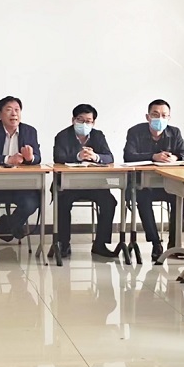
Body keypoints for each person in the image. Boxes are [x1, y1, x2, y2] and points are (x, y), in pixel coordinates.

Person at [123, 99, 184, 262]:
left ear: (169, 118)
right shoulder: (135, 132)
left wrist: (175, 157)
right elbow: (128, 156)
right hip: (142, 185)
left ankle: (174, 244)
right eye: (155, 115)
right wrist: (153, 156)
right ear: (148, 117)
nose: (160, 118)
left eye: (164, 115)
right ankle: (155, 243)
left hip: (167, 184)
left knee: (179, 198)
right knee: (142, 198)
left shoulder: (174, 132)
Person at [0, 96, 41, 262]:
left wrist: (31, 158)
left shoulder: (30, 131)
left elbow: (38, 158)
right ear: (0, 114)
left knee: (32, 202)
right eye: (9, 110)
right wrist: (8, 159)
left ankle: (7, 224)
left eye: (17, 110)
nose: (14, 114)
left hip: (21, 187)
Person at [53, 104, 117, 258]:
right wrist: (78, 156)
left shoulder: (98, 135)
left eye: (88, 121)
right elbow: (58, 158)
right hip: (69, 185)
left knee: (110, 202)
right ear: (73, 120)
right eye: (80, 120)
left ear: (93, 122)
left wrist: (95, 157)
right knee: (62, 202)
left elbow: (109, 157)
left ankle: (100, 244)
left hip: (95, 184)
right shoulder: (62, 135)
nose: (84, 124)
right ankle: (63, 243)